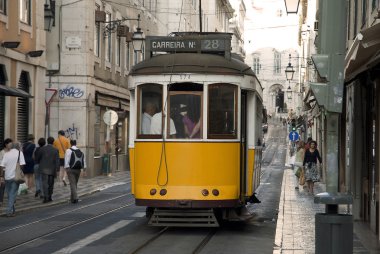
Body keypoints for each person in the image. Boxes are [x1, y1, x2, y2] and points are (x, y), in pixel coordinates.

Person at [0, 140, 26, 217]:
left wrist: (1, 176)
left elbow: (1, 166)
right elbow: (22, 164)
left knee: (9, 194)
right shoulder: (19, 153)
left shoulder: (6, 154)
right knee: (12, 194)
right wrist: (21, 171)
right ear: (18, 147)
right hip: (15, 177)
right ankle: (8, 211)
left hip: (7, 177)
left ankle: (12, 210)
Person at [36, 137, 60, 203]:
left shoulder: (42, 149)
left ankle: (46, 197)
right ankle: (50, 196)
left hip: (43, 169)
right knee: (51, 183)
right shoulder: (56, 150)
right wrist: (58, 169)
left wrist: (38, 162)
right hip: (52, 169)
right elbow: (57, 160)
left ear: (47, 141)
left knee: (45, 183)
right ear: (53, 142)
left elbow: (37, 158)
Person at [64, 140, 86, 204]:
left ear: (70, 144)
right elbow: (83, 161)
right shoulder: (80, 151)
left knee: (72, 184)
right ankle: (72, 199)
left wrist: (66, 169)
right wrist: (84, 170)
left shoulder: (68, 151)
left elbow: (66, 160)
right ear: (76, 144)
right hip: (78, 170)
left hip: (70, 169)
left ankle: (75, 198)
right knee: (74, 184)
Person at [0, 139, 13, 207]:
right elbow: (1, 163)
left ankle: (11, 199)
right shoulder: (2, 152)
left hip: (11, 170)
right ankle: (1, 200)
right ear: (6, 144)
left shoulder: (12, 152)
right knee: (2, 186)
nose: (11, 145)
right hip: (4, 171)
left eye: (11, 144)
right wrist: (1, 175)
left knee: (10, 186)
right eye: (10, 144)